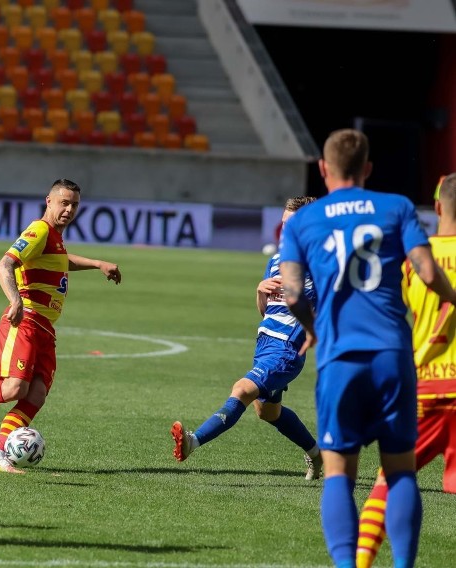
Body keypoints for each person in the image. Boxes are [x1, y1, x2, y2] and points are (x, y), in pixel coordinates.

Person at [279, 129, 456, 568]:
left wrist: (313, 328)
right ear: (368, 169)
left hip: (341, 358)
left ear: (323, 169)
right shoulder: (395, 207)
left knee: (339, 472)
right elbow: (428, 271)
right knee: (400, 471)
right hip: (393, 355)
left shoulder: (303, 221)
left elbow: (292, 292)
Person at [0, 179, 122, 473]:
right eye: (64, 202)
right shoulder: (40, 229)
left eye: (75, 204)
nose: (69, 209)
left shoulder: (54, 238)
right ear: (49, 201)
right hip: (27, 320)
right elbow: (4, 264)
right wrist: (15, 301)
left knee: (36, 394)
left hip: (45, 329)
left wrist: (97, 264)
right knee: (14, 388)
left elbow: (59, 260)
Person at [170, 196, 323, 480]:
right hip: (265, 344)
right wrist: (259, 290)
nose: (285, 229)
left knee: (240, 389)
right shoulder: (277, 260)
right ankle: (316, 454)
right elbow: (265, 310)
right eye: (284, 223)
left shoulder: (319, 262)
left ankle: (193, 441)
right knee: (268, 413)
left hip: (287, 350)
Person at [356, 173, 456, 568]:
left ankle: (361, 563)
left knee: (389, 480)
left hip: (425, 389)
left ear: (439, 208)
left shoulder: (415, 260)